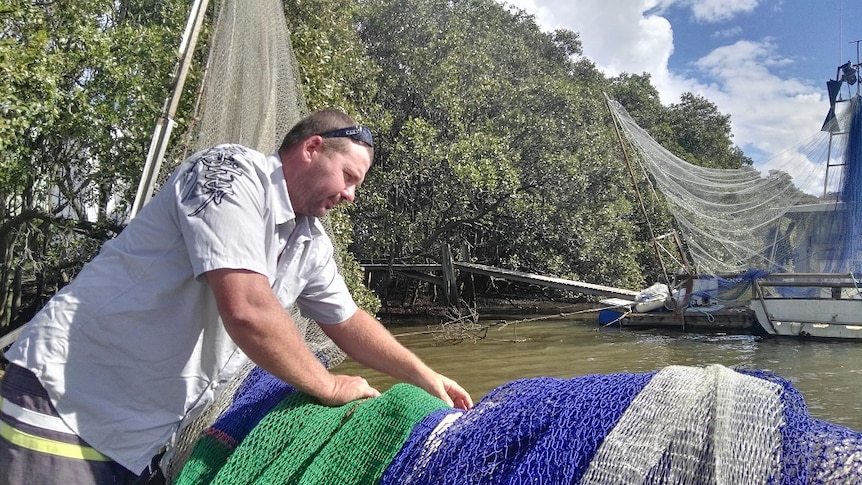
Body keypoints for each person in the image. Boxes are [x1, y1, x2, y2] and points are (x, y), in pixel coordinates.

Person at [0, 110, 473, 484]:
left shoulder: (310, 240)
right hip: (65, 399)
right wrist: (329, 386)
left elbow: (347, 321)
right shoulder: (227, 173)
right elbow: (247, 310)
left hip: (138, 439)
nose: (351, 195)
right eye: (348, 176)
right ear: (312, 149)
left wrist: (424, 374)